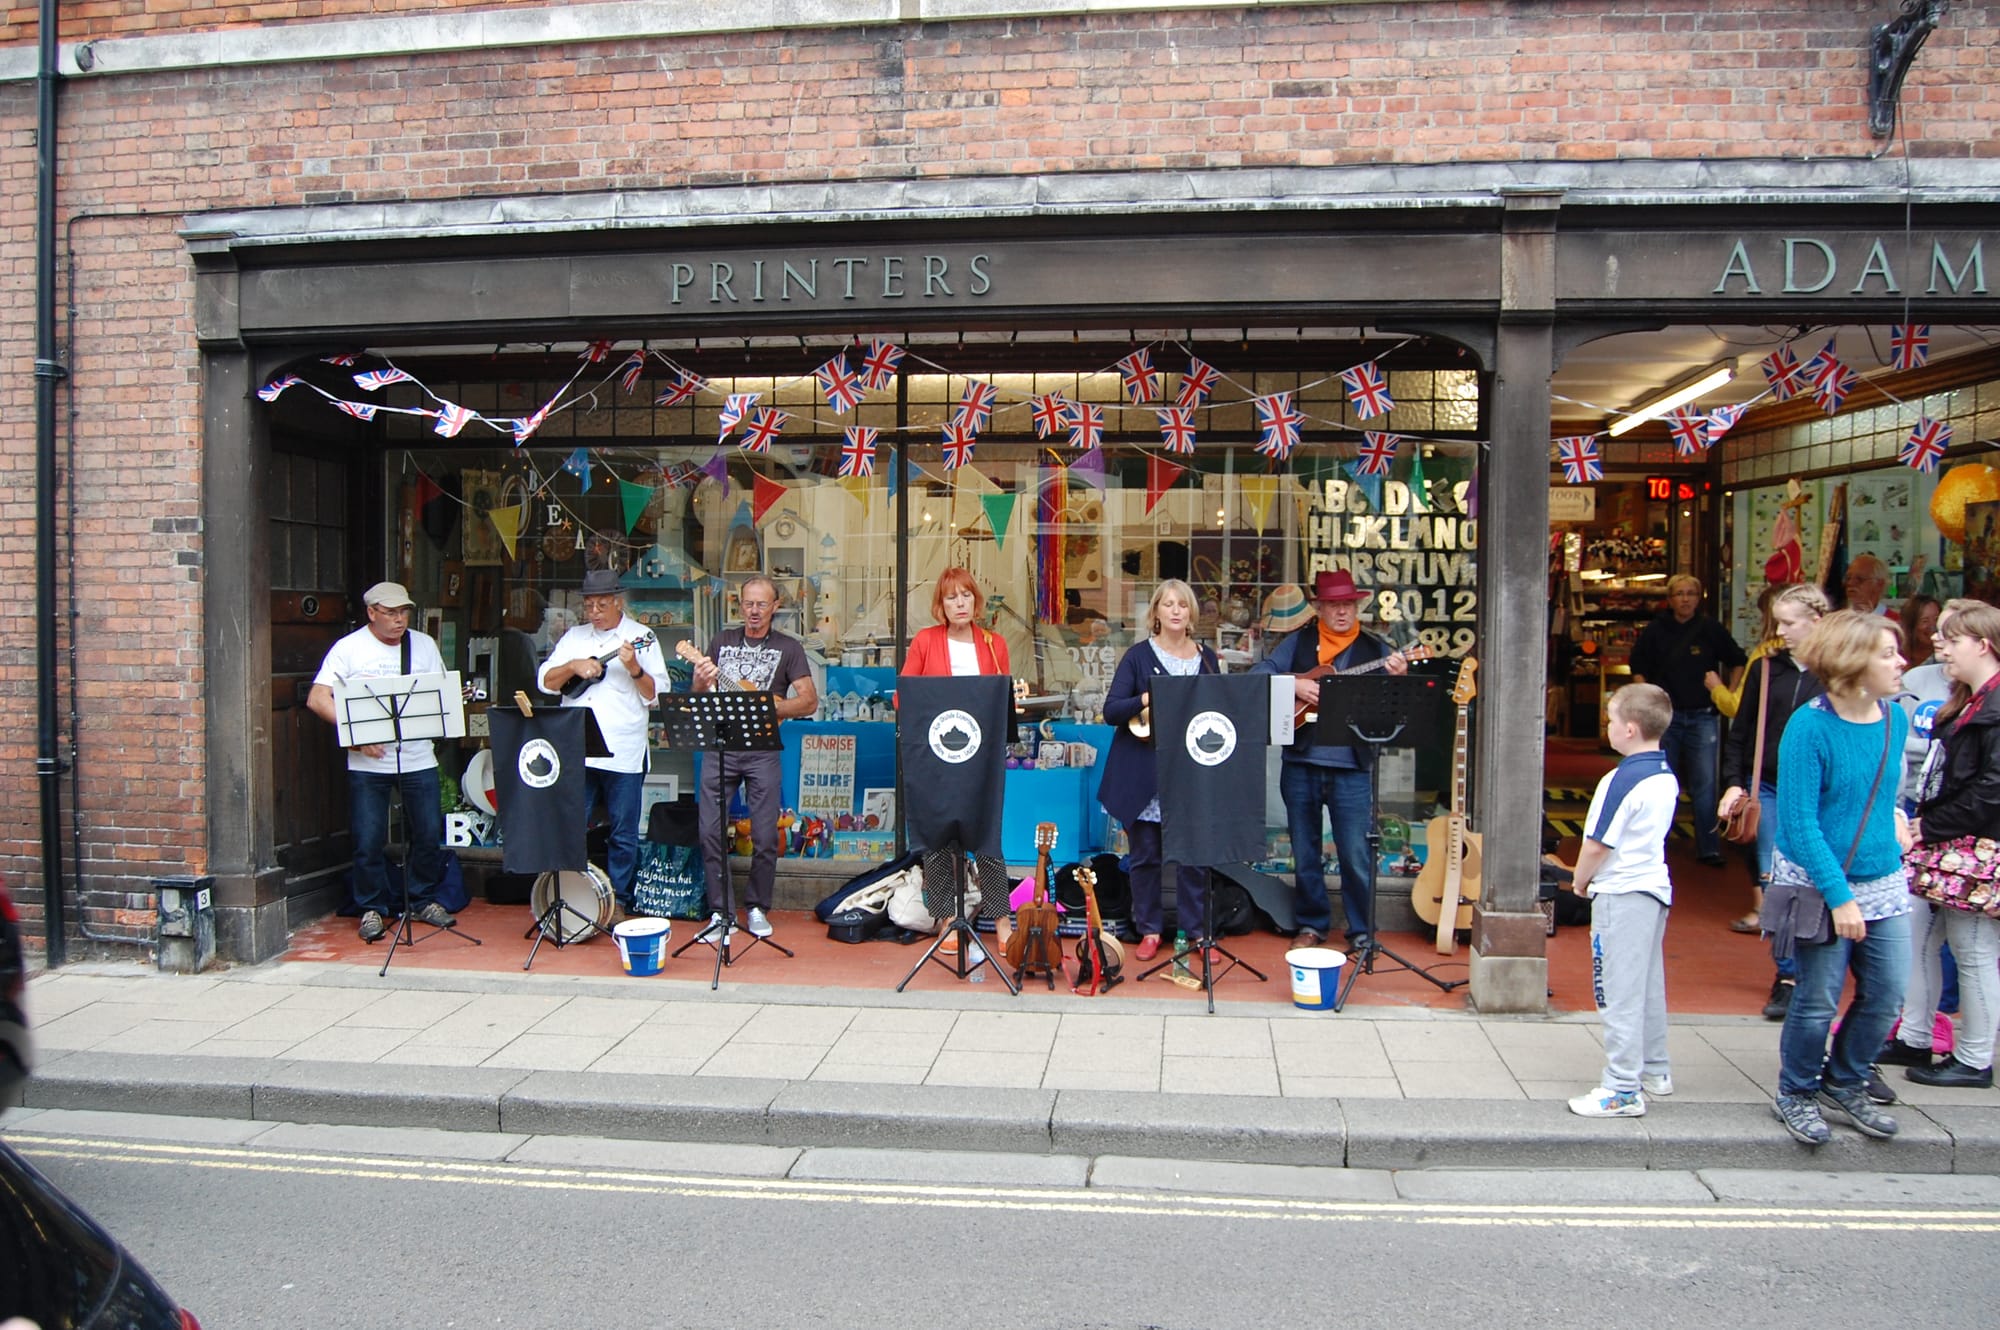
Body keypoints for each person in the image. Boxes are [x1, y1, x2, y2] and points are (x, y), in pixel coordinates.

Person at [1770, 610, 1911, 1146]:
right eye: (1887, 653)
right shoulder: (1809, 726)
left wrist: (1897, 819)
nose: (1901, 663)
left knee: (1888, 993)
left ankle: (1845, 1081)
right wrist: (1840, 897)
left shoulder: (1895, 721)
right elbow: (1800, 823)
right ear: (1853, 663)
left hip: (1884, 878)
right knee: (1819, 996)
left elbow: (1884, 793)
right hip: (1821, 880)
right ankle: (1797, 1090)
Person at [1251, 569, 1408, 951]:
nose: (1342, 612)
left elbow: (1394, 712)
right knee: (1305, 851)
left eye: (1348, 605)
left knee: (1355, 853)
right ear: (1319, 607)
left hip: (1352, 767)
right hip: (1302, 762)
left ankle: (1361, 931)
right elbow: (1259, 674)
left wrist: (1399, 680)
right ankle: (1311, 924)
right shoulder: (1296, 643)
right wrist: (1295, 683)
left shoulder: (1379, 651)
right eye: (1334, 605)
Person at [1884, 599, 2000, 1090]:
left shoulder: (1989, 706)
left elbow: (1992, 788)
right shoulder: (1970, 699)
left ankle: (1975, 1057)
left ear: (1983, 645)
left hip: (1970, 845)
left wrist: (1927, 827)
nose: (1941, 647)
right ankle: (1916, 1032)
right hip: (1948, 840)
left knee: (1971, 947)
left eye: (1953, 640)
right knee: (1922, 934)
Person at [306, 582, 454, 942]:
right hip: (368, 765)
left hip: (418, 756)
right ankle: (371, 907)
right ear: (371, 613)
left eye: (403, 612)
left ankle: (422, 899)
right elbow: (317, 698)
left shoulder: (424, 645)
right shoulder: (349, 649)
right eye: (390, 613)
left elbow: (440, 693)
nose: (399, 620)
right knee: (368, 838)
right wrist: (355, 734)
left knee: (428, 832)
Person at [1563, 683, 1678, 1118]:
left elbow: (1597, 843)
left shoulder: (1622, 777)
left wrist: (1579, 881)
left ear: (1630, 729)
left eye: (1611, 720)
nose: (1608, 727)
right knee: (1647, 984)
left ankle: (1622, 1086)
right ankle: (1655, 1068)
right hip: (1652, 888)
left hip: (1620, 891)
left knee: (1616, 990)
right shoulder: (1664, 773)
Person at [1717, 584, 1829, 1022]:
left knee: (1813, 878)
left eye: (1787, 622)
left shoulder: (1835, 671)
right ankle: (1787, 976)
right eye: (1777, 621)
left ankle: (1812, 970)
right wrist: (1733, 782)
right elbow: (1741, 730)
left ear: (1816, 621)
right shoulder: (1766, 668)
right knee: (1775, 877)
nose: (1778, 631)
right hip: (1767, 784)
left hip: (1818, 788)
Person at [1099, 579, 1221, 961]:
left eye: (1182, 605)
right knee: (1146, 856)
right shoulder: (1137, 657)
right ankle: (1149, 929)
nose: (1174, 611)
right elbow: (1111, 711)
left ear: (1191, 614)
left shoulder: (1207, 658)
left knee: (1194, 858)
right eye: (1167, 604)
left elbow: (1220, 709)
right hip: (1143, 774)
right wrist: (1147, 697)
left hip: (1191, 774)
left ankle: (1197, 933)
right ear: (1155, 613)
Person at [536, 570, 668, 920]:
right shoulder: (574, 637)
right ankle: (566, 896)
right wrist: (573, 665)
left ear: (618, 603)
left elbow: (659, 695)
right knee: (571, 824)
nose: (594, 611)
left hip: (623, 749)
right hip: (576, 745)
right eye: (590, 604)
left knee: (623, 831)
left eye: (602, 604)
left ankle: (618, 901)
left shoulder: (642, 637)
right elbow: (546, 682)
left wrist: (635, 669)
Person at [691, 574, 816, 939]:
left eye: (762, 604)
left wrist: (774, 709)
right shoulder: (721, 642)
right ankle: (720, 912)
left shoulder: (789, 648)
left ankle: (757, 906)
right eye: (748, 603)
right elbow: (699, 696)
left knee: (765, 835)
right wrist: (700, 679)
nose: (754, 611)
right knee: (710, 832)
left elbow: (809, 700)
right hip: (721, 748)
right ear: (739, 604)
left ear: (776, 606)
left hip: (763, 751)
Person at [900, 567, 1013, 932]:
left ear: (975, 600)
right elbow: (905, 697)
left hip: (981, 759)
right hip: (937, 755)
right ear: (941, 605)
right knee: (939, 837)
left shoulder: (995, 645)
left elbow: (1003, 700)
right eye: (951, 597)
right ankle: (947, 916)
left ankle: (1000, 919)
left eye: (965, 595)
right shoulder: (925, 641)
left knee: (987, 835)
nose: (959, 603)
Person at [1629, 574, 1746, 869]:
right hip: (1666, 715)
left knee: (1705, 782)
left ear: (1699, 598)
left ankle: (1708, 847)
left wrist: (1727, 693)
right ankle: (1655, 844)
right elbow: (1637, 665)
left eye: (1691, 593)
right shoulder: (1656, 630)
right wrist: (1647, 698)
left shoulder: (1709, 629)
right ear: (1670, 599)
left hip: (1702, 715)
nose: (1685, 599)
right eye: (1679, 593)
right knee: (1660, 782)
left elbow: (1737, 660)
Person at [1900, 593, 1942, 668]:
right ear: (1911, 625)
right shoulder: (1898, 655)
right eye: (1925, 621)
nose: (1933, 626)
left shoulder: (1946, 656)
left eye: (1936, 619)